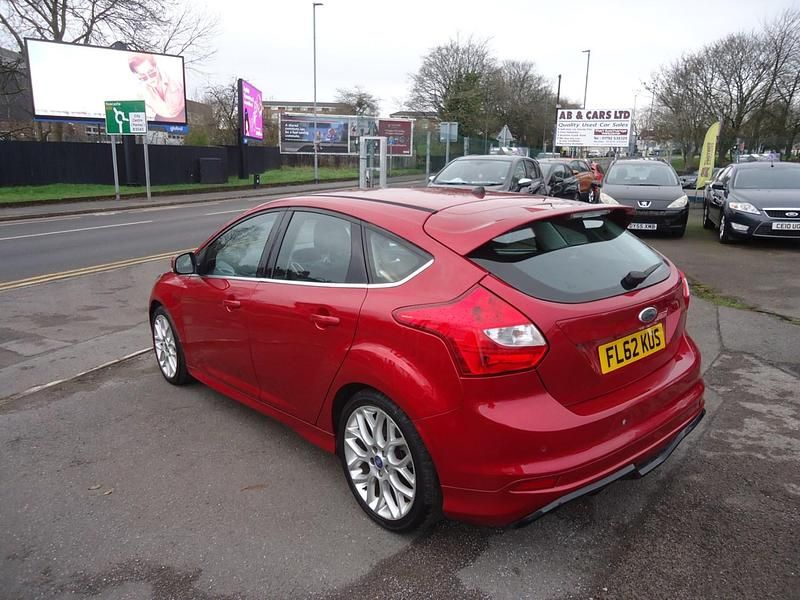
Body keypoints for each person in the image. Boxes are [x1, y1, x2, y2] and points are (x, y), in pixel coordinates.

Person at [128, 54, 185, 122]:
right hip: (160, 122)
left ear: (156, 67)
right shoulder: (140, 93)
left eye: (152, 73)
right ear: (138, 76)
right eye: (144, 77)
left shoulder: (176, 78)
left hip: (184, 115)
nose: (149, 79)